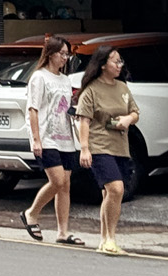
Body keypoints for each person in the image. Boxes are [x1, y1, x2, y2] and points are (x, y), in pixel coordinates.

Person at [75, 46, 140, 256]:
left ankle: (105, 239)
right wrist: (84, 149)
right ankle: (110, 238)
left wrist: (128, 119)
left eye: (121, 61)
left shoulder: (122, 87)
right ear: (103, 65)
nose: (119, 65)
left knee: (109, 194)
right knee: (116, 189)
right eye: (115, 61)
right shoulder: (91, 89)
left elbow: (135, 112)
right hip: (99, 146)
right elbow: (83, 120)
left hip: (120, 145)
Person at [20, 36, 82, 246]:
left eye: (67, 54)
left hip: (66, 137)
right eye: (62, 53)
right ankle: (31, 213)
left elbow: (63, 107)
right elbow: (33, 109)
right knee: (57, 181)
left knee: (65, 186)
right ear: (50, 54)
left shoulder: (65, 80)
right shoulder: (39, 77)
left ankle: (63, 232)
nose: (65, 58)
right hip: (47, 137)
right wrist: (36, 139)